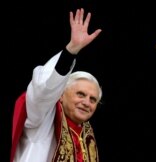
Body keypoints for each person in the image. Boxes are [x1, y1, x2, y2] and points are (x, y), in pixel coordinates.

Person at [10, 8, 102, 162]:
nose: (86, 102)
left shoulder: (86, 134)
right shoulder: (43, 116)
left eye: (93, 99)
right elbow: (43, 92)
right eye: (80, 94)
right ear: (61, 94)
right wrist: (71, 50)